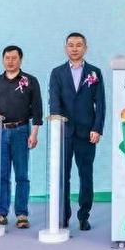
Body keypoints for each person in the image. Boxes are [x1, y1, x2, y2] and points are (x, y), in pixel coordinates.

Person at [49, 32, 105, 231]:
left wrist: (97, 128)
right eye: (71, 45)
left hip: (87, 133)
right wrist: (57, 128)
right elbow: (54, 101)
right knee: (63, 176)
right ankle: (63, 216)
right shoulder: (57, 73)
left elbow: (101, 104)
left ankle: (84, 216)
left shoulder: (94, 73)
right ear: (66, 48)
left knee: (86, 175)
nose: (74, 48)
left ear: (85, 48)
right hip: (64, 133)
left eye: (78, 45)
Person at [0, 45, 43, 229]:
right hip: (0, 132)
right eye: (7, 58)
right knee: (2, 174)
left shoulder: (30, 81)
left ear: (20, 60)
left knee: (22, 174)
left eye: (14, 58)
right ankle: (1, 212)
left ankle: (22, 214)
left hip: (21, 131)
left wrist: (34, 133)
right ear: (3, 60)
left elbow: (38, 110)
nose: (10, 61)